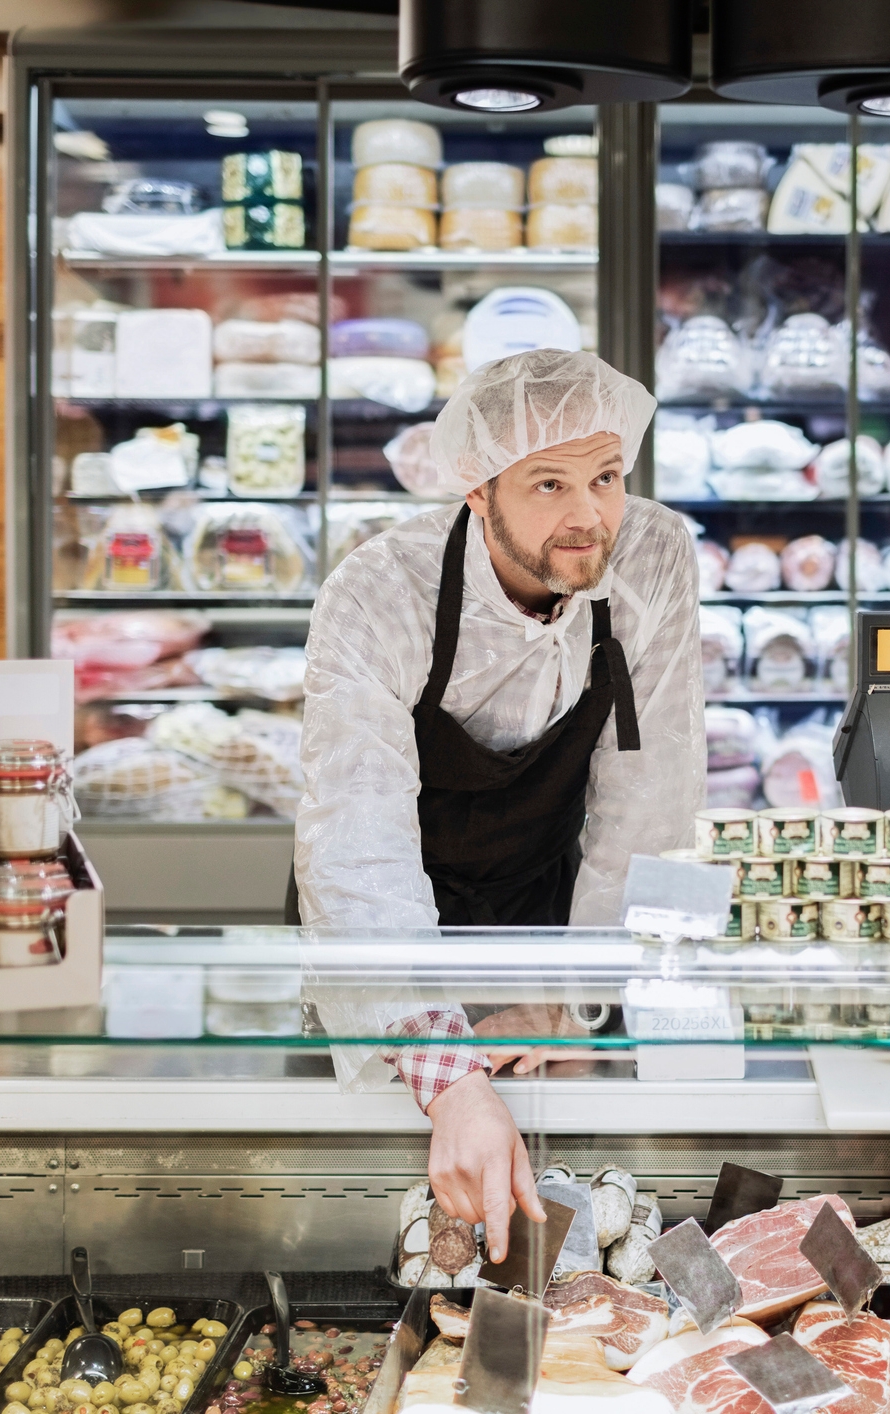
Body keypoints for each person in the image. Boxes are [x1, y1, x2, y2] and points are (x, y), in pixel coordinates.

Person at [294, 348, 705, 1258]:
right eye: (548, 484)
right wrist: (445, 1070)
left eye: (606, 477)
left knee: (575, 1212)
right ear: (477, 490)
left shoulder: (652, 553)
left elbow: (654, 795)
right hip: (390, 925)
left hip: (549, 914)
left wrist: (578, 996)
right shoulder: (378, 591)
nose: (589, 516)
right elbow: (353, 838)